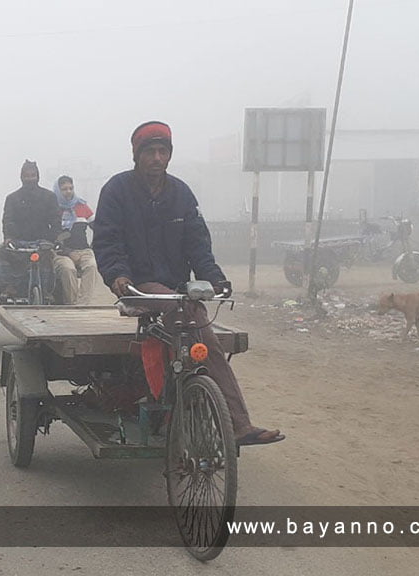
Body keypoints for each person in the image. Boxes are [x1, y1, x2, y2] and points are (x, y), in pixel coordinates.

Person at [92, 121, 283, 446]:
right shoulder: (116, 190)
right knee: (193, 320)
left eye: (162, 151)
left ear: (169, 154)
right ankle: (237, 425)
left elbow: (198, 245)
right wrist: (117, 276)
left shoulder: (181, 193)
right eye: (150, 151)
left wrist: (215, 278)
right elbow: (107, 240)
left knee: (197, 334)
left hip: (176, 288)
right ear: (136, 155)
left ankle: (189, 399)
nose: (156, 158)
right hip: (140, 286)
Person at [0, 160, 62, 299]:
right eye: (27, 176)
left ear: (38, 177)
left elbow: (56, 221)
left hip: (42, 242)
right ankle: (8, 286)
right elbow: (8, 220)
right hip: (19, 243)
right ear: (21, 177)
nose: (30, 179)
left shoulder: (49, 197)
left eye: (33, 176)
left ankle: (46, 291)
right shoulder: (12, 198)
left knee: (48, 256)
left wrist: (54, 239)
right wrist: (8, 239)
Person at [52, 176, 97, 304]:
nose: (68, 191)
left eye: (71, 188)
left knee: (91, 266)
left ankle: (83, 305)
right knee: (68, 269)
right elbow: (53, 237)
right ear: (58, 191)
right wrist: (68, 252)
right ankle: (72, 304)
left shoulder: (82, 206)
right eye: (64, 189)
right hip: (61, 253)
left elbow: (99, 228)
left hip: (84, 251)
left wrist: (94, 246)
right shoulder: (53, 209)